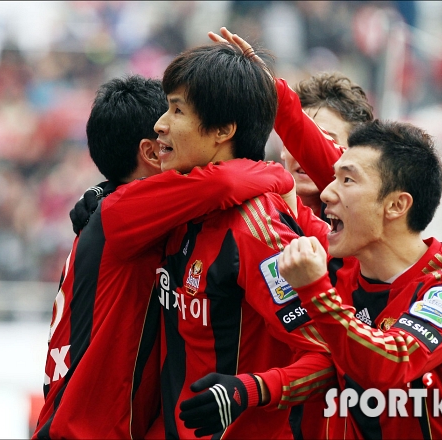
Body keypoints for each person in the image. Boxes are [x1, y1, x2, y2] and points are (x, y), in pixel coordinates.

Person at [33, 74, 296, 439]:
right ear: (151, 152)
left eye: (177, 114)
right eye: (166, 120)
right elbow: (223, 183)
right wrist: (281, 177)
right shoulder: (125, 211)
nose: (166, 128)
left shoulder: (123, 210)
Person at [126, 42, 337, 439]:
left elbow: (326, 356)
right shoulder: (182, 208)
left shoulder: (256, 230)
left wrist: (247, 391)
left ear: (223, 131)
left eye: (177, 110)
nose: (160, 123)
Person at [277, 119, 442, 439]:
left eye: (348, 179)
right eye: (334, 177)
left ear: (396, 205)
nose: (326, 192)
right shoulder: (343, 267)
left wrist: (315, 291)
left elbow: (389, 364)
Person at [280, 72, 374, 220]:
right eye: (298, 139)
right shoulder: (258, 208)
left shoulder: (363, 223)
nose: (308, 152)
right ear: (283, 147)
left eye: (326, 140)